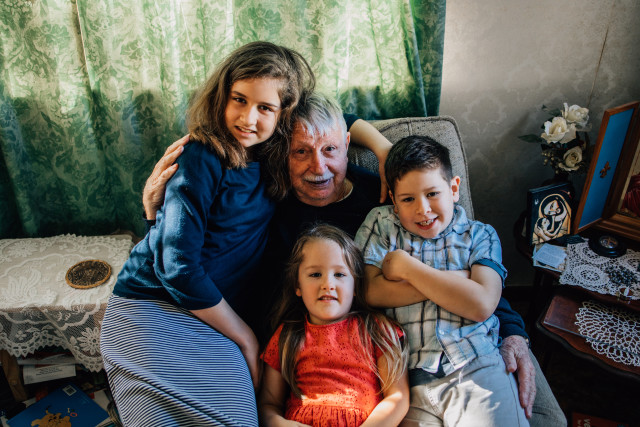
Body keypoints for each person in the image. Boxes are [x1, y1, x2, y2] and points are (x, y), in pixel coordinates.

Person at [143, 93, 567, 426]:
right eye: (300, 152)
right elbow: (194, 239)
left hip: (382, 357)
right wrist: (155, 215)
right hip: (284, 350)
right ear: (281, 153)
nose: (319, 168)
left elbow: (459, 258)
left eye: (330, 149)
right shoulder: (267, 196)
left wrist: (513, 332)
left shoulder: (387, 200)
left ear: (347, 144)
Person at [99, 41, 315, 426]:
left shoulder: (273, 155)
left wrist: (382, 149)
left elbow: (337, 121)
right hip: (154, 307)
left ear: (284, 112)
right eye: (239, 99)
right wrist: (246, 338)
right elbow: (177, 265)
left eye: (265, 107)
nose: (248, 118)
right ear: (222, 96)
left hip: (213, 318)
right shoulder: (201, 155)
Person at [355, 136, 529, 426]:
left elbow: (481, 304)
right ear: (394, 202)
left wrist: (408, 268)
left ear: (454, 188)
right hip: (405, 382)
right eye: (408, 199)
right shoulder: (381, 223)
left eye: (433, 193)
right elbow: (369, 291)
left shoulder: (480, 234)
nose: (422, 209)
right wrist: (457, 284)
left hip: (475, 365)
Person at [258, 224, 410, 426]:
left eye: (339, 274)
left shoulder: (377, 330)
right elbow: (268, 404)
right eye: (315, 274)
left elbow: (398, 397)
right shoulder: (287, 335)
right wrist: (282, 424)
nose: (328, 284)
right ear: (297, 285)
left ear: (355, 285)